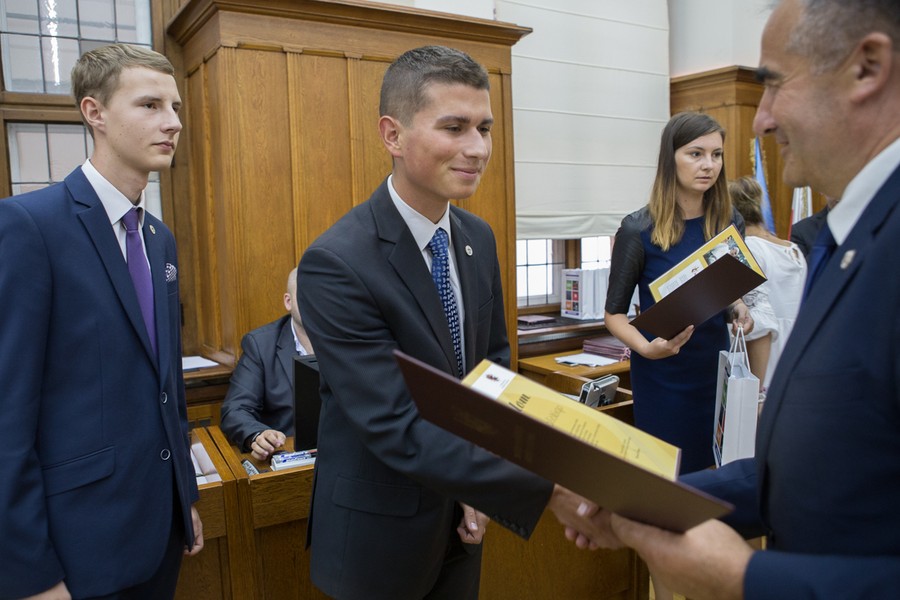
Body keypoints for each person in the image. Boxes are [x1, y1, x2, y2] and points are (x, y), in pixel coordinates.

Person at [595, 1, 900, 597]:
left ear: (867, 69)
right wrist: (650, 502)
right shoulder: (840, 235)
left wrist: (743, 577)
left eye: (774, 84)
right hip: (667, 385)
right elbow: (823, 466)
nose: (759, 120)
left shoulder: (746, 225)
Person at [297, 45, 613, 600]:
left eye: (485, 128)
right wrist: (547, 487)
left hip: (464, 520)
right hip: (379, 538)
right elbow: (394, 422)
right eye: (454, 127)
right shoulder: (338, 262)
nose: (478, 148)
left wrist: (484, 484)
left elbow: (489, 369)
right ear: (392, 135)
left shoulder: (478, 238)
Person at [0, 44, 203, 599]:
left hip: (158, 531)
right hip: (76, 546)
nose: (173, 123)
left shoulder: (161, 238)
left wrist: (183, 498)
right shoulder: (28, 227)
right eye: (150, 105)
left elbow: (167, 388)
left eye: (176, 107)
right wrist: (29, 574)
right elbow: (7, 415)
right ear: (95, 113)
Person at [604, 112, 752, 474]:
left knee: (716, 473)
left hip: (714, 369)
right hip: (662, 373)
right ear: (670, 158)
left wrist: (740, 308)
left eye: (716, 155)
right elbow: (614, 315)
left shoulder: (730, 220)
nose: (709, 165)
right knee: (670, 479)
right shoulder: (637, 229)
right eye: (696, 154)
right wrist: (646, 349)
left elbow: (728, 290)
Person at [220, 268, 313, 460]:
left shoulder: (349, 338)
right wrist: (258, 435)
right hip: (288, 457)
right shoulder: (261, 345)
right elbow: (236, 409)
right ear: (288, 301)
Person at [729, 176, 806, 390]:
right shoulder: (792, 249)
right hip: (796, 351)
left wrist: (755, 391)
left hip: (766, 357)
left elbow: (757, 322)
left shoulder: (748, 250)